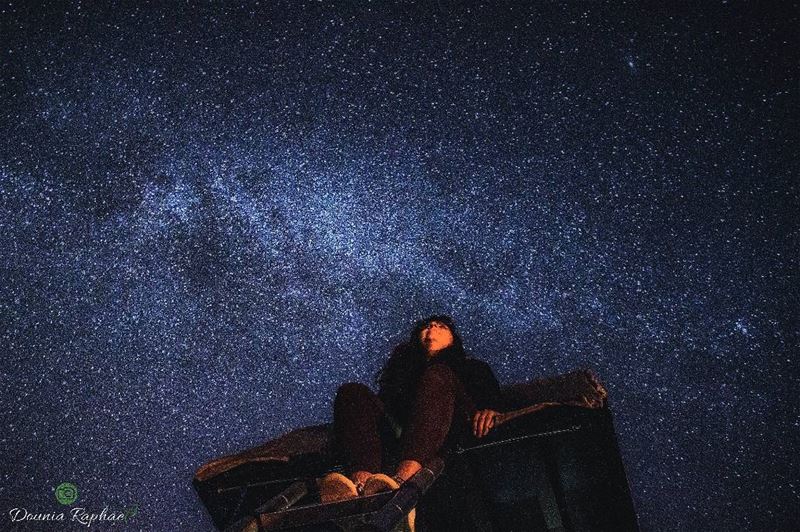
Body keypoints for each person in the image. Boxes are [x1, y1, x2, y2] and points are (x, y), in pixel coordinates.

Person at [319, 315, 505, 507]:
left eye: (441, 327)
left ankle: (401, 482)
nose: (432, 329)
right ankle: (362, 485)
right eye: (427, 326)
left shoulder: (471, 367)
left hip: (450, 425)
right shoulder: (403, 372)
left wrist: (492, 409)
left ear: (453, 339)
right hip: (406, 431)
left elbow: (492, 395)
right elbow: (380, 413)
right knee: (352, 392)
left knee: (437, 374)